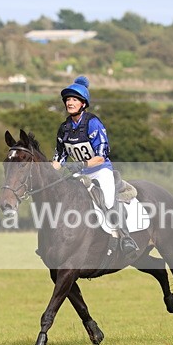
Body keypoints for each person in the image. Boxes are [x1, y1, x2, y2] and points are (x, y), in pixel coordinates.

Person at [51, 76, 139, 256]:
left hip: (100, 172)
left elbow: (101, 156)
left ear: (83, 103)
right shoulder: (64, 128)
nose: (70, 102)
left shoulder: (93, 123)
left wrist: (81, 164)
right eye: (67, 99)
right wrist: (46, 174)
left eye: (74, 99)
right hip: (79, 174)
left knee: (106, 200)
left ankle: (125, 237)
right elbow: (59, 158)